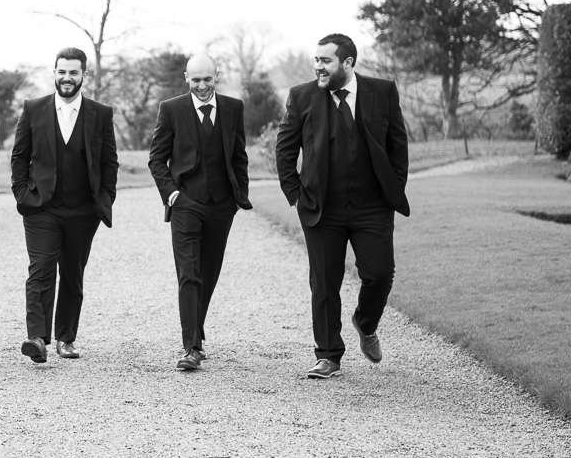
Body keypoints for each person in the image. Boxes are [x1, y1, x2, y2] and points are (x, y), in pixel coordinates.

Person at [275, 33, 410, 379]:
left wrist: (393, 190)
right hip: (322, 210)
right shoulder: (302, 96)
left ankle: (365, 323)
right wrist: (296, 196)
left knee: (380, 274)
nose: (318, 67)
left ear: (347, 63)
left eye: (325, 61)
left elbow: (397, 146)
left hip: (372, 207)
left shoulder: (382, 92)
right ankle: (328, 355)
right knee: (324, 282)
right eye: (316, 60)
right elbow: (285, 151)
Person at [10, 47, 118, 363]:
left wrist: (105, 198)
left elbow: (109, 161)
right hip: (41, 207)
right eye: (61, 71)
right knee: (40, 270)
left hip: (84, 211)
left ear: (84, 74)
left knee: (72, 274)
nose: (66, 78)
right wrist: (22, 194)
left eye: (73, 72)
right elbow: (19, 156)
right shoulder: (33, 109)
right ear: (53, 72)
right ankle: (37, 338)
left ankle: (66, 338)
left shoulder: (101, 114)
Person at [148, 54, 252, 371]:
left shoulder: (234, 109)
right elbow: (156, 159)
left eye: (208, 79)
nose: (202, 86)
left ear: (216, 76)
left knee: (208, 273)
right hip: (185, 205)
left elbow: (239, 156)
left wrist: (238, 197)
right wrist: (173, 195)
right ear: (186, 78)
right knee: (189, 274)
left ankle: (196, 330)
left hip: (222, 206)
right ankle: (191, 346)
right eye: (196, 80)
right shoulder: (171, 109)